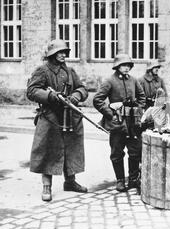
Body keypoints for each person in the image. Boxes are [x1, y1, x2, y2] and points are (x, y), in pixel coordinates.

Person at [26, 39, 89, 202]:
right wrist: (49, 96)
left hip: (69, 116)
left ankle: (70, 182)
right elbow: (32, 91)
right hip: (49, 116)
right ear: (51, 54)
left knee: (71, 148)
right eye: (59, 52)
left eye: (64, 52)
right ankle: (47, 186)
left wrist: (76, 95)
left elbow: (82, 88)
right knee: (48, 149)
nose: (63, 55)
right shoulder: (42, 70)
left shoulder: (70, 71)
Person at [93, 54, 146, 193]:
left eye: (129, 65)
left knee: (135, 151)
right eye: (124, 65)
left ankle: (133, 179)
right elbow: (98, 100)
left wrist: (137, 110)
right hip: (117, 123)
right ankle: (120, 180)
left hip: (133, 122)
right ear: (117, 66)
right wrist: (110, 114)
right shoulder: (109, 81)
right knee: (117, 152)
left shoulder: (134, 80)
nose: (127, 68)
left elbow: (142, 97)